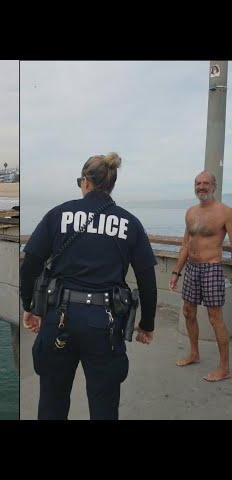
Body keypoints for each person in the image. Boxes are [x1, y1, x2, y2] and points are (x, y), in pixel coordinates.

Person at [20, 152, 157, 420]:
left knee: (52, 400)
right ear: (112, 185)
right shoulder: (130, 223)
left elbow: (30, 265)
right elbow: (147, 280)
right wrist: (148, 324)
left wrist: (30, 306)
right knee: (104, 405)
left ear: (85, 182)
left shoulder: (58, 215)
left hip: (58, 316)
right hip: (105, 325)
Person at [170, 171, 231, 382]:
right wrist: (176, 271)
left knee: (215, 319)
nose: (201, 187)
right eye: (198, 183)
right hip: (192, 268)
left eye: (205, 183)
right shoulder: (190, 212)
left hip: (212, 268)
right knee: (188, 312)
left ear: (213, 186)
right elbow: (186, 244)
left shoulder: (225, 212)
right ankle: (194, 353)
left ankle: (224, 368)